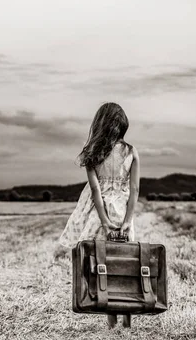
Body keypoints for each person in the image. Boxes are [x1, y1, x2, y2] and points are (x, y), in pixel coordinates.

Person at [58, 101, 140, 329]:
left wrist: (103, 221)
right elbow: (134, 190)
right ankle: (127, 320)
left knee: (101, 262)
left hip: (99, 213)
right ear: (122, 125)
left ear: (99, 124)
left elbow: (95, 191)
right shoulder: (131, 151)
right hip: (123, 211)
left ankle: (111, 319)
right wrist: (127, 221)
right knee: (125, 262)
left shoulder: (93, 153)